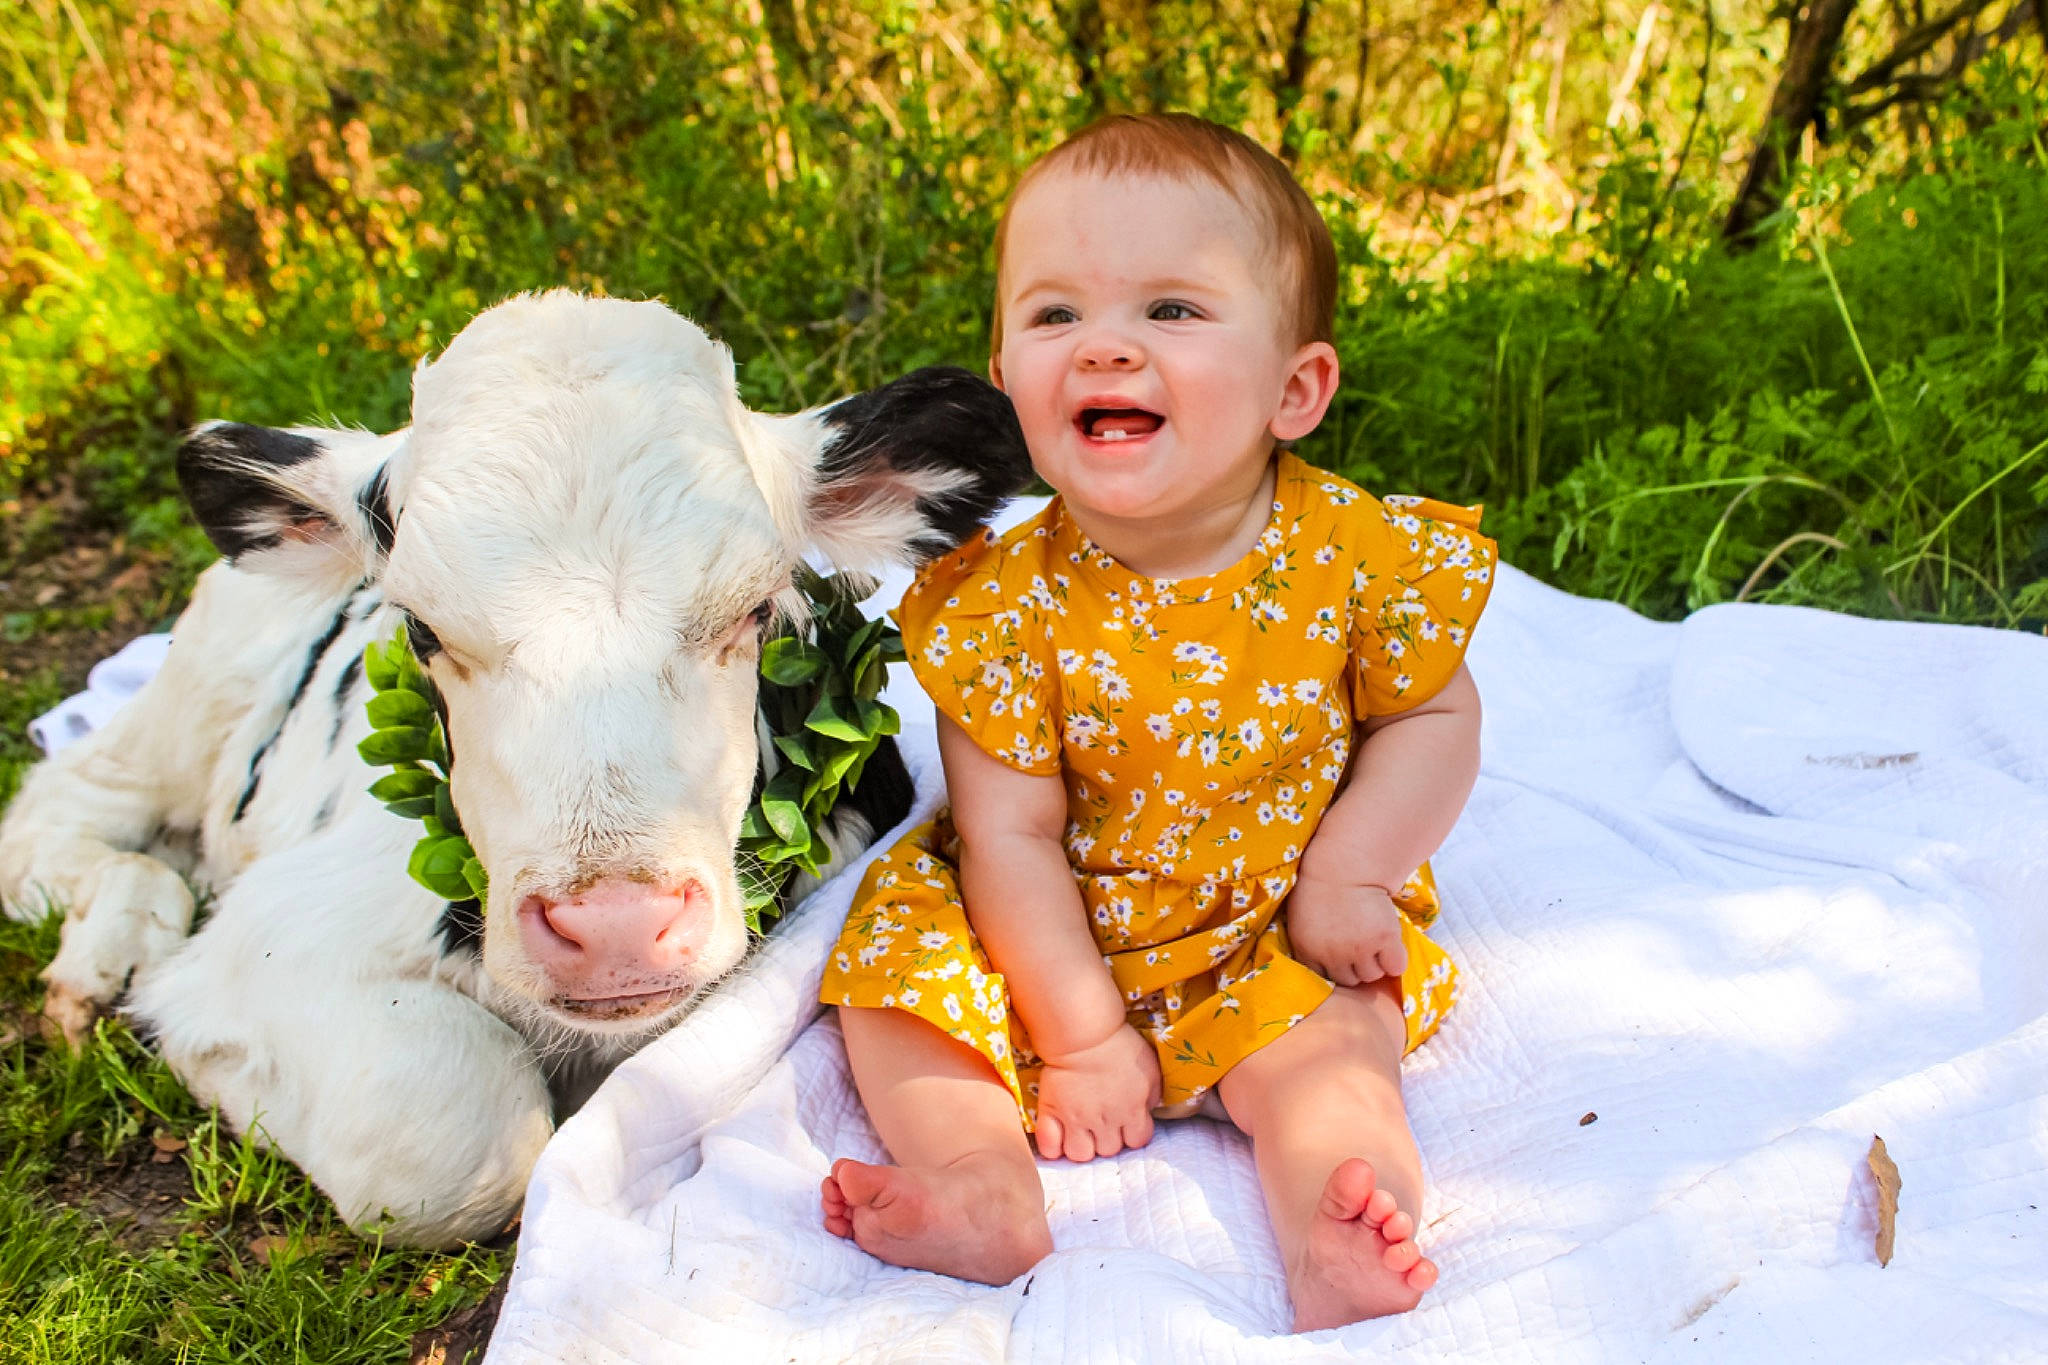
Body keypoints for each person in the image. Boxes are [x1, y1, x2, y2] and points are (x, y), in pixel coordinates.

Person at [817, 112, 1494, 1331]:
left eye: (1170, 312)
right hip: (1044, 932)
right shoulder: (1001, 603)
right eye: (1054, 315)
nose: (1103, 349)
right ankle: (976, 1183)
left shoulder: (1356, 555)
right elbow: (1006, 838)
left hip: (1270, 923)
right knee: (893, 979)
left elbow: (1432, 716)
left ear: (1295, 389)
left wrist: (1349, 877)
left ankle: (1341, 1219)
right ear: (1008, 375)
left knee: (1337, 1057)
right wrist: (1076, 1036)